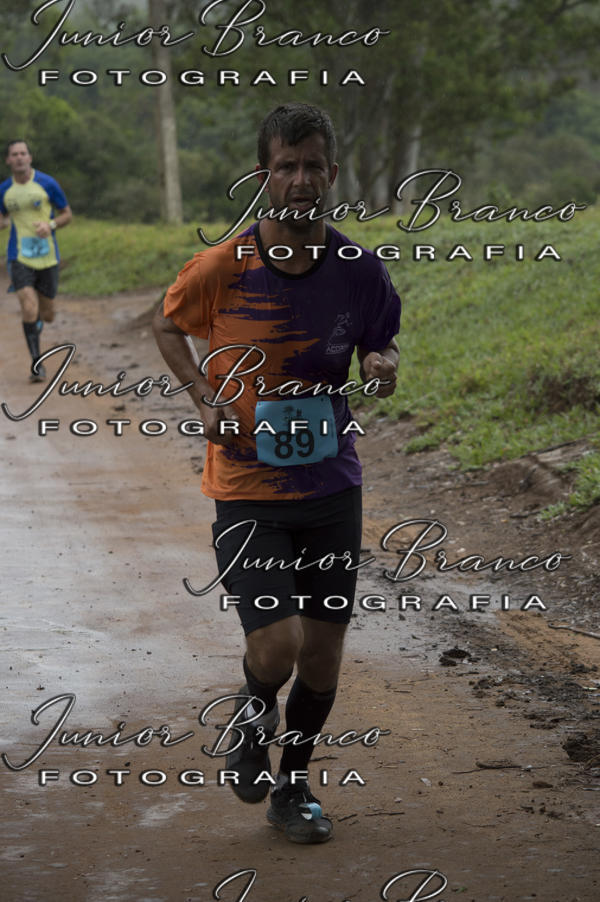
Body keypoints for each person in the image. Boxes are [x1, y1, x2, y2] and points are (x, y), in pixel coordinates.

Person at [153, 103, 401, 844]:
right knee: (278, 643)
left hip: (332, 488)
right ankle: (252, 713)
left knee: (323, 655)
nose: (300, 180)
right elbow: (166, 323)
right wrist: (202, 397)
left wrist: (380, 362)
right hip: (246, 490)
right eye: (285, 166)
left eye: (312, 166)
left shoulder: (359, 270)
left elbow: (381, 342)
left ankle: (292, 785)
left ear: (332, 173)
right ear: (263, 175)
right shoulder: (223, 266)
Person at [0, 140, 72, 382]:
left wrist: (50, 225)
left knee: (47, 314)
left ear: (30, 157)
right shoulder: (4, 190)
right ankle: (36, 364)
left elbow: (67, 215)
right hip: (18, 255)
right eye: (14, 154)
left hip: (47, 256)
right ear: (8, 160)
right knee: (28, 306)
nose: (19, 157)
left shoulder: (47, 183)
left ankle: (38, 320)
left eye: (23, 153)